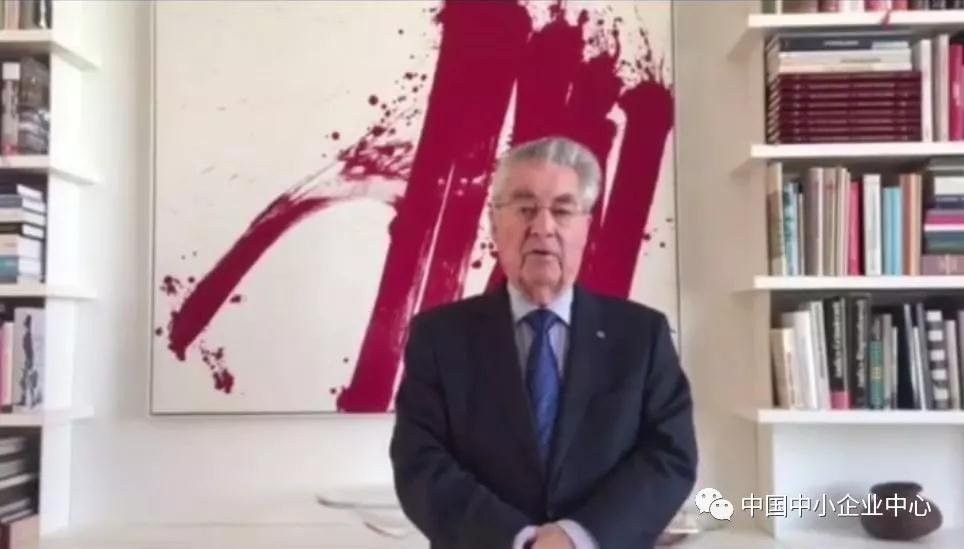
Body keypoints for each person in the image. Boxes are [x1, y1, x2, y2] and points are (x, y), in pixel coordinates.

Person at [389, 136, 698, 549]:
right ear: (494, 223)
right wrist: (517, 539)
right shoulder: (438, 337)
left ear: (586, 227)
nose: (543, 227)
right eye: (525, 208)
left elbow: (670, 456)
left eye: (563, 210)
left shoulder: (642, 336)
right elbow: (419, 461)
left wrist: (577, 536)